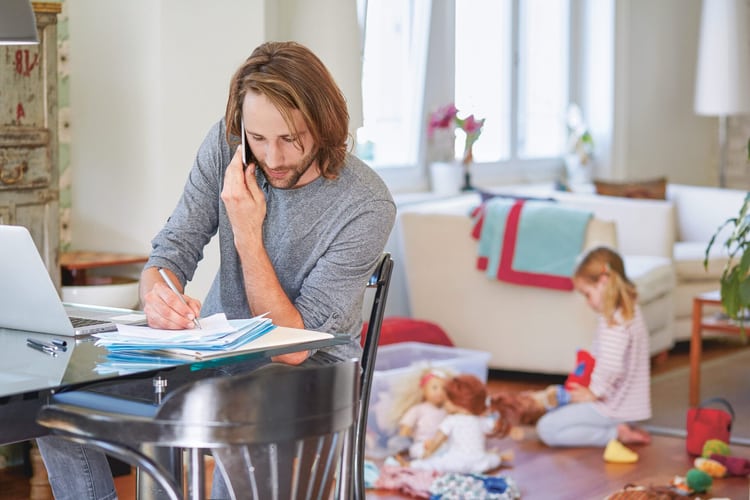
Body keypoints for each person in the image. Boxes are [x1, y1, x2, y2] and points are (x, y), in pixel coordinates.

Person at [37, 40, 396, 500]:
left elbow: (294, 348)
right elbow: (172, 249)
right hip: (215, 353)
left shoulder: (366, 204)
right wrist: (158, 295)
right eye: (258, 138)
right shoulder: (227, 144)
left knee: (242, 411)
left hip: (309, 375)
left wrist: (248, 233)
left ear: (325, 123)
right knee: (58, 399)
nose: (273, 157)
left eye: (290, 138)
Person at [535, 246, 652, 448]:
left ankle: (615, 434)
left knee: (547, 428)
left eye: (587, 294)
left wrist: (594, 392)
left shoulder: (613, 323)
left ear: (603, 282)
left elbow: (612, 366)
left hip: (611, 407)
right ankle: (621, 427)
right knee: (559, 410)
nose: (587, 302)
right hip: (626, 406)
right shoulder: (630, 311)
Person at [404, 374, 514, 474]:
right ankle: (501, 457)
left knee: (435, 463)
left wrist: (428, 453)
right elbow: (493, 425)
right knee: (490, 460)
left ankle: (409, 465)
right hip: (479, 464)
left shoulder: (451, 420)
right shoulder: (479, 420)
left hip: (457, 463)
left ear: (461, 404)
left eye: (447, 401)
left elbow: (438, 439)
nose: (444, 404)